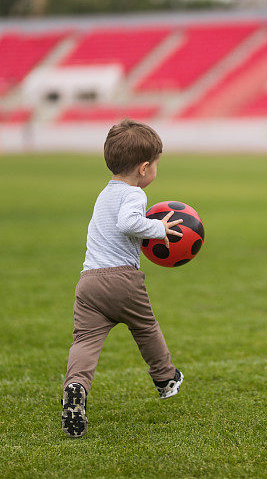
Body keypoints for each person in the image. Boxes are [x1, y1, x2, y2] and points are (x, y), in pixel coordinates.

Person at [61, 119, 185, 438]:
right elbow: (128, 223)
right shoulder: (134, 195)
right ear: (144, 168)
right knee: (145, 328)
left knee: (85, 341)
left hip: (88, 282)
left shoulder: (105, 194)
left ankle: (75, 387)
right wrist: (160, 229)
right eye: (157, 165)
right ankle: (165, 378)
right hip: (122, 281)